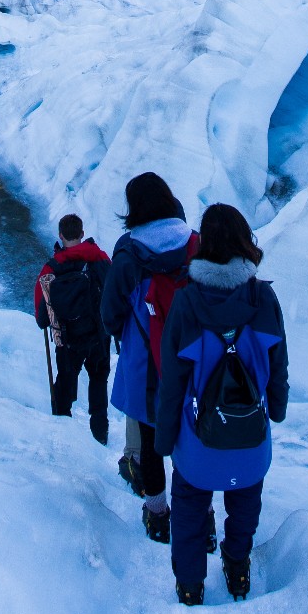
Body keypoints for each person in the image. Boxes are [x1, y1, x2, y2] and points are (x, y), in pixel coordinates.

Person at [155, 204, 288, 606]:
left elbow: (172, 381)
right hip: (250, 432)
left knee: (191, 506)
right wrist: (276, 409)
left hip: (198, 439)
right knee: (245, 501)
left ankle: (191, 583)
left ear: (204, 247)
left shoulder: (186, 303)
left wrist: (164, 439)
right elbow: (278, 363)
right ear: (244, 240)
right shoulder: (264, 298)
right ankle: (237, 566)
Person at [100, 172, 198, 544]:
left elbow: (110, 309)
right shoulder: (194, 242)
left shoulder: (129, 251)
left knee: (152, 441)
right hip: (191, 356)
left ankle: (157, 515)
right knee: (189, 435)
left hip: (145, 360)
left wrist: (117, 332)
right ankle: (200, 519)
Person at [35, 213, 112, 444]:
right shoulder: (99, 259)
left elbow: (42, 318)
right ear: (81, 234)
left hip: (68, 341)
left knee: (65, 382)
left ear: (60, 236)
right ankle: (100, 433)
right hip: (98, 336)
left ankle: (63, 433)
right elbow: (113, 291)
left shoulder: (50, 270)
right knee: (99, 381)